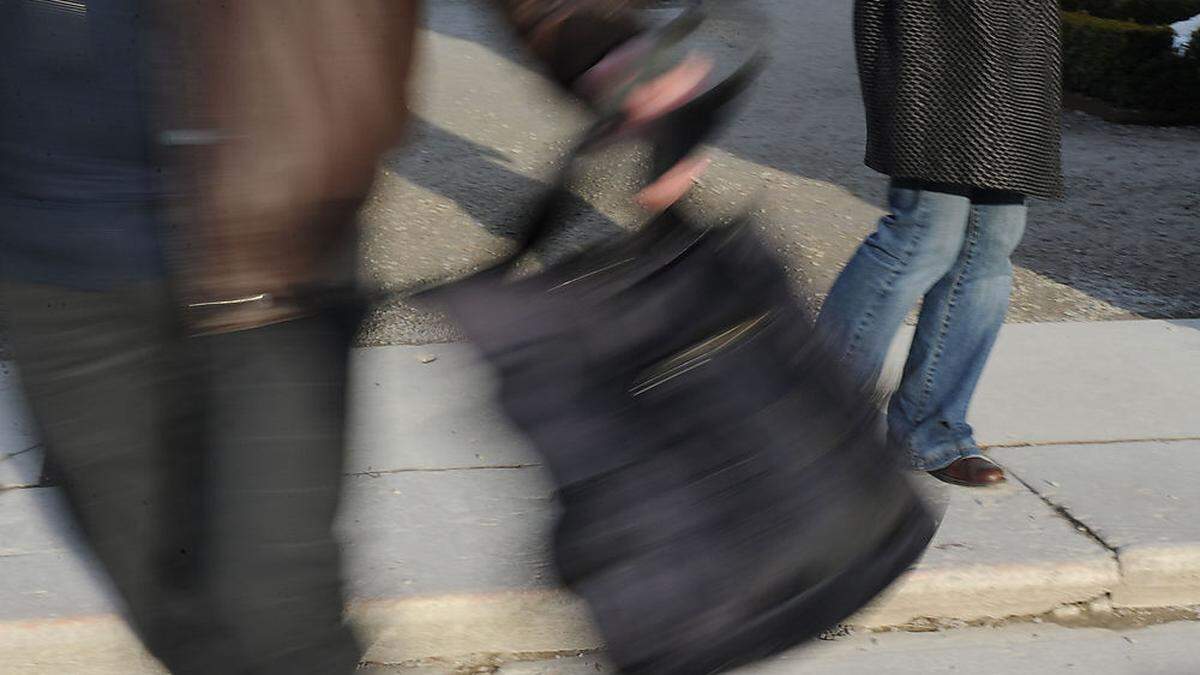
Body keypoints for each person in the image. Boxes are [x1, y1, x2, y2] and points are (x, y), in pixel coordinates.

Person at [0, 1, 706, 672]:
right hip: (46, 256)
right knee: (171, 608)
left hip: (273, 241)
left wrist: (595, 36)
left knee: (278, 619)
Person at [815, 0, 1063, 487]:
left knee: (993, 237)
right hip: (932, 22)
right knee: (926, 229)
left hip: (1019, 22)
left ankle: (933, 433)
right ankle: (810, 422)